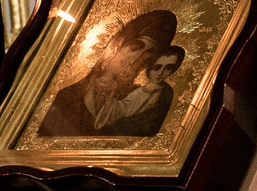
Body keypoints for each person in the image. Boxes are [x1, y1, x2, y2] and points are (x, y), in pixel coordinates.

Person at [37, 8, 179, 138]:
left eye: (147, 56)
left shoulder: (141, 101)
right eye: (134, 48)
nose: (135, 60)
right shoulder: (66, 97)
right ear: (116, 47)